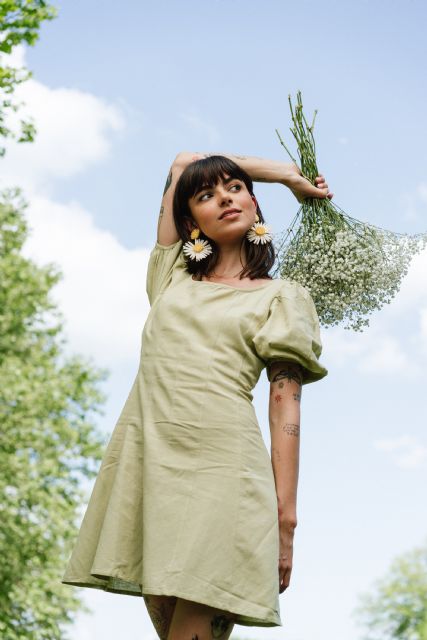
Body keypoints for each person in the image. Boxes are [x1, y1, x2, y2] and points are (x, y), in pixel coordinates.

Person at [61, 151, 332, 640]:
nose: (225, 197)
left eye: (236, 187)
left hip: (225, 480)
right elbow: (185, 161)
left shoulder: (281, 296)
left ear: (253, 204)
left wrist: (285, 517)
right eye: (207, 195)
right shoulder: (171, 276)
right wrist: (287, 176)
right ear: (191, 223)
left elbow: (285, 403)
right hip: (151, 478)